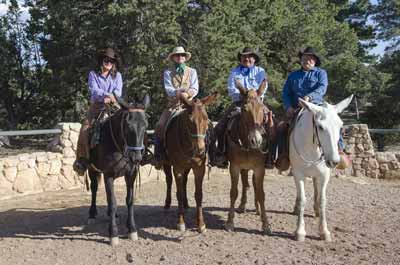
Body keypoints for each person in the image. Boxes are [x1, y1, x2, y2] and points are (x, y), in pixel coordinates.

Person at [276, 46, 347, 170]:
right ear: (301, 60)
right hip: (297, 108)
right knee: (281, 127)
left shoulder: (321, 73)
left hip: (317, 106)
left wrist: (310, 97)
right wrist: (288, 107)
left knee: (333, 122)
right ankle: (284, 156)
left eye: (310, 58)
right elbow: (286, 93)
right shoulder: (293, 75)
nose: (307, 60)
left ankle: (340, 150)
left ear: (314, 61)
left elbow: (322, 88)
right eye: (304, 58)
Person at [209, 47, 272, 168]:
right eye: (244, 57)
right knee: (220, 126)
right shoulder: (235, 72)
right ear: (241, 59)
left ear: (254, 59)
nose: (247, 59)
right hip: (239, 102)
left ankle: (270, 156)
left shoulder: (260, 71)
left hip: (257, 103)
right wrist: (244, 95)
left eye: (250, 57)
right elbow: (232, 89)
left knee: (272, 125)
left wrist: (254, 95)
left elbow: (263, 87)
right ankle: (221, 154)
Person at [73, 48, 123, 175]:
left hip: (114, 106)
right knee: (84, 129)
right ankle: (82, 161)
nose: (109, 63)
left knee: (129, 122)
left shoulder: (117, 76)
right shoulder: (93, 74)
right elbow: (94, 90)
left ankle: (134, 156)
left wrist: (111, 97)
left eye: (111, 61)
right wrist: (106, 95)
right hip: (97, 107)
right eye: (106, 60)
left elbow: (118, 91)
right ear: (101, 61)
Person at [153, 46, 199, 169]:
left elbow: (195, 88)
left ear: (185, 58)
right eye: (177, 55)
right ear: (173, 57)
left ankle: (210, 152)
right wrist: (178, 93)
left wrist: (187, 94)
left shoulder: (192, 71)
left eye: (182, 55)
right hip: (173, 105)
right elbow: (169, 89)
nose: (180, 57)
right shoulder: (168, 72)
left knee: (205, 123)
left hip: (189, 105)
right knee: (160, 126)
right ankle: (159, 155)